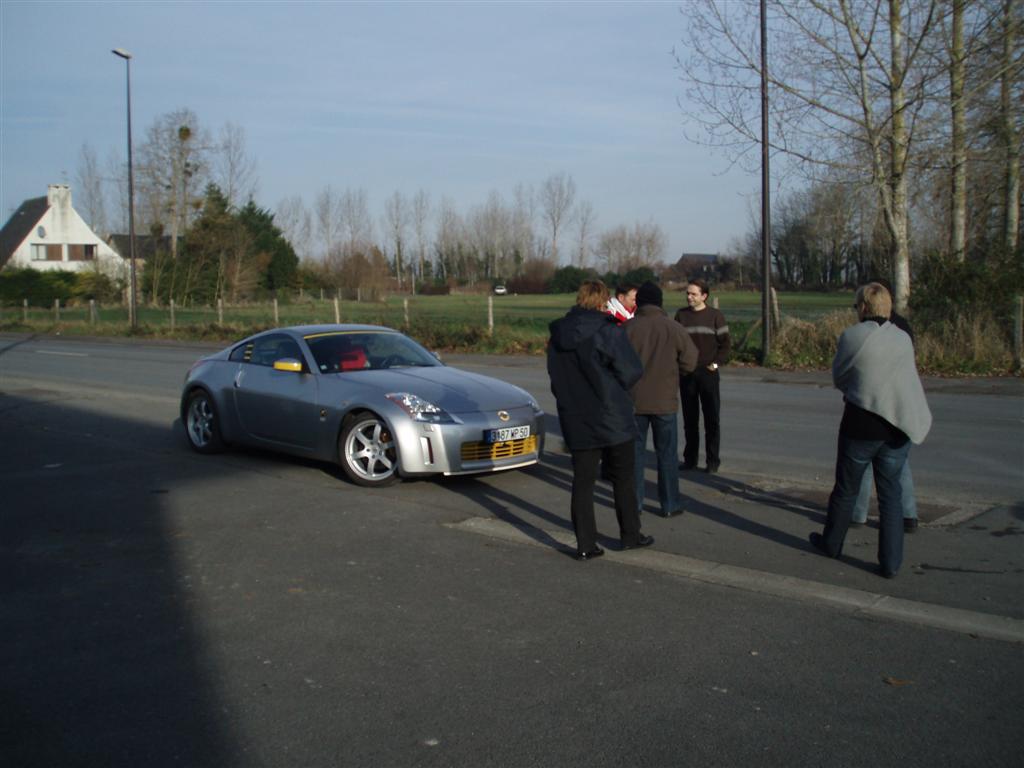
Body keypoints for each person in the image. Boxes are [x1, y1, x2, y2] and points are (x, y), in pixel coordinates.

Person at [809, 283, 932, 579]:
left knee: (846, 489)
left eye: (856, 306)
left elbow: (839, 376)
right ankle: (891, 563)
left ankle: (831, 544)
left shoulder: (852, 336)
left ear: (863, 307)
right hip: (898, 427)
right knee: (891, 496)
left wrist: (858, 389)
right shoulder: (902, 338)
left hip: (860, 426)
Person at [548, 280, 654, 560]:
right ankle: (630, 534)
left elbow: (555, 378)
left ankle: (585, 543)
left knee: (583, 482)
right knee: (623, 478)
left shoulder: (558, 335)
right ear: (603, 301)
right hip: (612, 415)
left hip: (576, 415)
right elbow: (631, 370)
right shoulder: (608, 331)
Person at [625, 281, 698, 517]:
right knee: (666, 455)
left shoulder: (627, 328)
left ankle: (634, 503)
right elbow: (690, 362)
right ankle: (670, 503)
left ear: (639, 303)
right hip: (665, 401)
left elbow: (613, 362)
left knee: (635, 456)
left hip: (634, 401)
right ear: (660, 302)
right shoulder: (674, 328)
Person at [851, 280, 919, 533]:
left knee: (864, 462)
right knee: (898, 464)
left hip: (873, 406)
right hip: (901, 404)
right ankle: (908, 514)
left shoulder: (865, 332)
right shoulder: (903, 328)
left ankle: (857, 513)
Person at [674, 278, 730, 473]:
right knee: (690, 420)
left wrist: (715, 364)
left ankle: (712, 461)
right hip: (687, 373)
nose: (689, 297)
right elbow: (675, 343)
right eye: (688, 293)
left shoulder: (715, 316)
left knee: (711, 419)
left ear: (704, 296)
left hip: (708, 373)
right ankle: (690, 460)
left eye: (693, 294)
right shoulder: (681, 315)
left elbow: (725, 345)